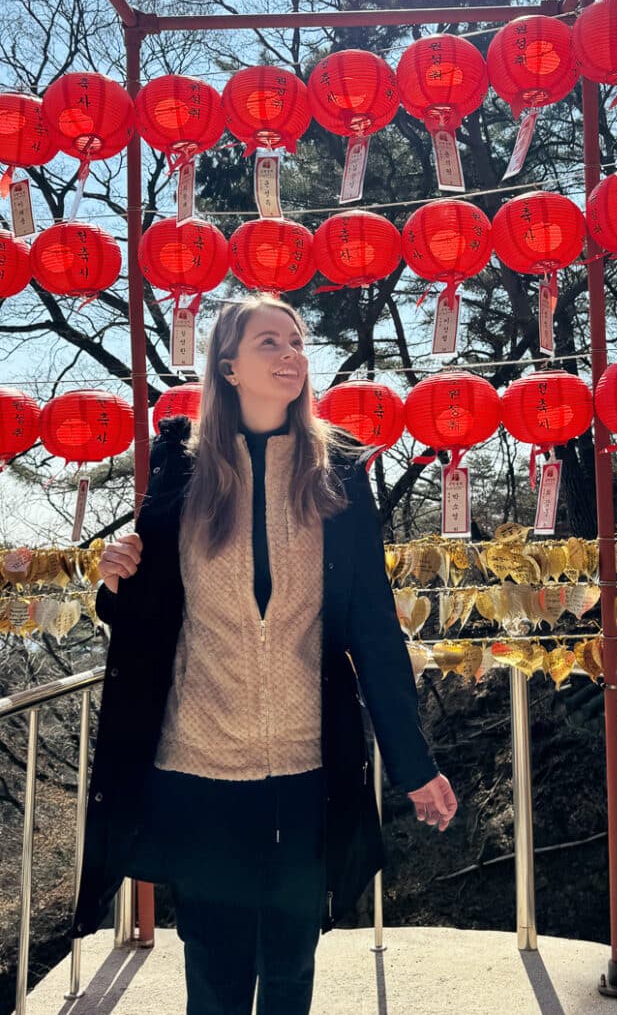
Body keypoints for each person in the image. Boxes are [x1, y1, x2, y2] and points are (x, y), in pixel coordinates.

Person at [72, 293, 457, 1015]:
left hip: (305, 768)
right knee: (215, 975)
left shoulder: (337, 468)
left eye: (296, 342)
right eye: (269, 344)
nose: (291, 356)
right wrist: (116, 576)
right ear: (229, 366)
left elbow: (372, 626)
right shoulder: (182, 466)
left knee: (288, 970)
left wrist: (414, 764)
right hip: (198, 767)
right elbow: (147, 607)